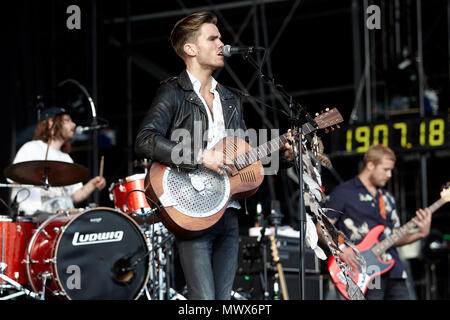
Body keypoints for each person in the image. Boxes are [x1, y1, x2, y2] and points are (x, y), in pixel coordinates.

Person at [135, 11, 293, 300]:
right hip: (192, 208)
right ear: (190, 49)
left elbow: (245, 157)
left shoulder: (230, 98)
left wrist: (283, 156)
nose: (222, 43)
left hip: (229, 211)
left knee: (223, 300)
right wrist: (199, 157)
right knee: (204, 300)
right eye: (213, 38)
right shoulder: (173, 92)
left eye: (220, 37)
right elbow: (145, 141)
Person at [325, 144, 432, 300]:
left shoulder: (387, 197)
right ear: (370, 165)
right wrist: (340, 248)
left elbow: (394, 237)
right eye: (385, 169)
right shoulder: (344, 192)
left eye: (391, 170)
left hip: (394, 270)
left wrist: (421, 233)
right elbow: (322, 227)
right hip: (365, 271)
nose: (389, 175)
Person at [9, 107, 106, 216]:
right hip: (35, 219)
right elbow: (15, 177)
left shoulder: (66, 159)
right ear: (51, 123)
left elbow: (75, 196)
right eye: (67, 120)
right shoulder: (31, 148)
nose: (73, 125)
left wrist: (92, 185)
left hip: (63, 220)